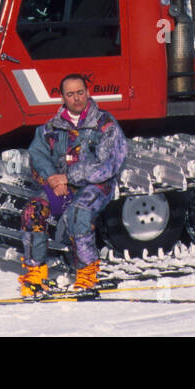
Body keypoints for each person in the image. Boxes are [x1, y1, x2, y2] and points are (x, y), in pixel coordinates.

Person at [19, 73, 128, 295]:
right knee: (32, 211)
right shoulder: (52, 127)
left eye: (80, 92)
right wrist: (52, 178)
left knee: (79, 213)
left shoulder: (105, 124)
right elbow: (37, 155)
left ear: (88, 93)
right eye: (71, 94)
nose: (77, 98)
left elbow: (108, 163)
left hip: (96, 185)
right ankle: (36, 273)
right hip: (61, 185)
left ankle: (87, 274)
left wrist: (68, 178)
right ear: (63, 98)